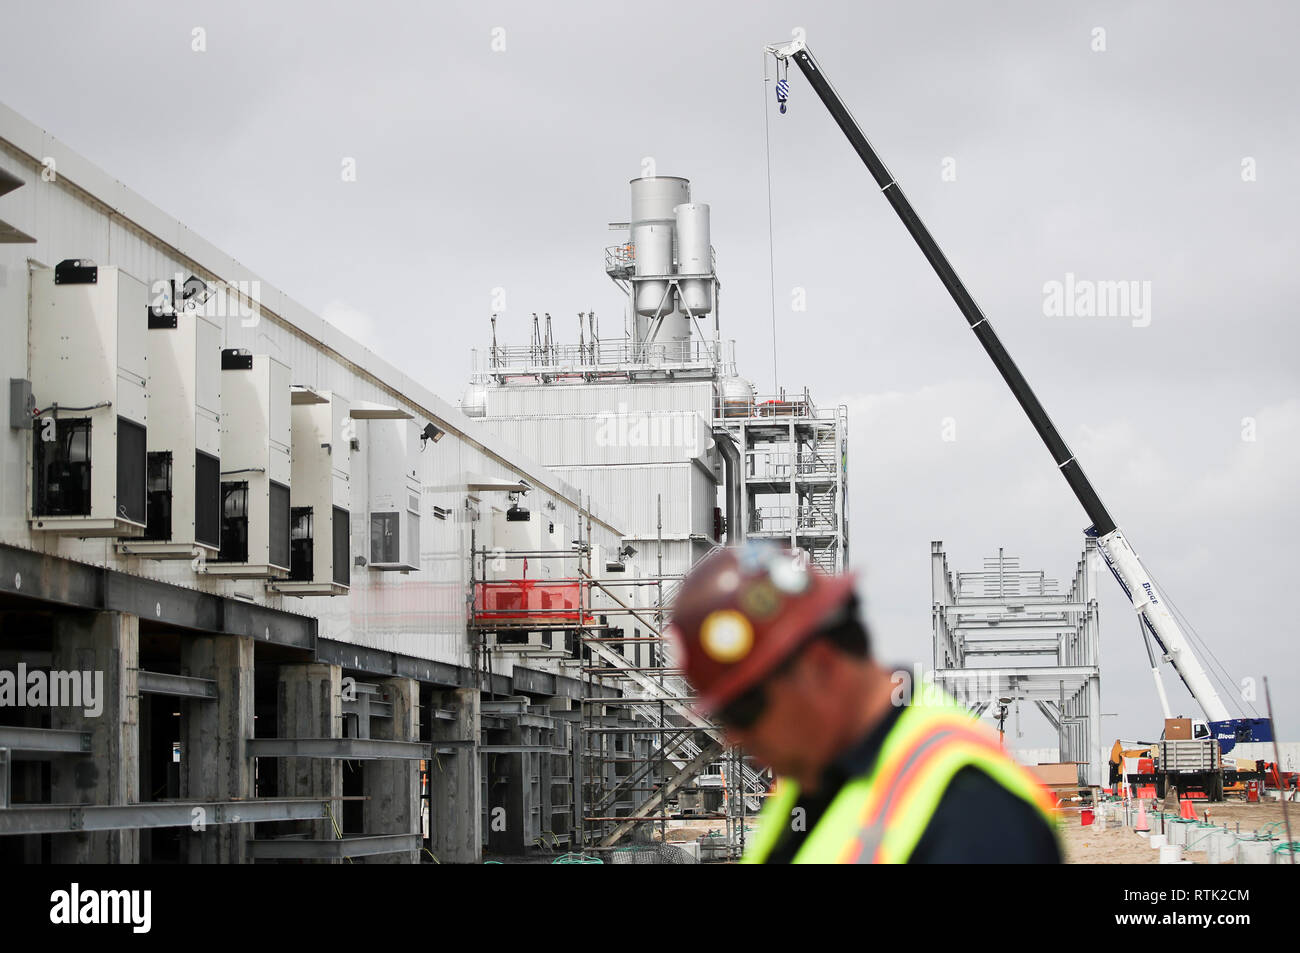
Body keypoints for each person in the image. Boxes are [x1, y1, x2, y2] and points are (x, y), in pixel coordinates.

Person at [665, 543, 1062, 863]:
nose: (734, 736)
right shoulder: (816, 780)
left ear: (819, 666)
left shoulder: (975, 813)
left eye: (743, 710)